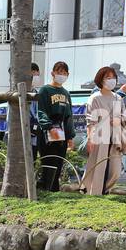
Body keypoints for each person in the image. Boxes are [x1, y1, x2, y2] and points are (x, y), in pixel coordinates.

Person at [83, 66, 126, 195]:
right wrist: (90, 139)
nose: (111, 80)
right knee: (98, 167)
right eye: (108, 77)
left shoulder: (118, 98)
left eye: (113, 77)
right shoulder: (95, 98)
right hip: (99, 137)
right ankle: (94, 192)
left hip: (116, 137)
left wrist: (119, 120)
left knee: (115, 170)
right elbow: (90, 121)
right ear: (101, 80)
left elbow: (124, 116)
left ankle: (104, 190)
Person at [35, 62, 75, 192]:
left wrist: (70, 136)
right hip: (48, 130)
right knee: (48, 162)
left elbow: (69, 116)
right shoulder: (45, 90)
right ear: (53, 73)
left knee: (58, 162)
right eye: (59, 72)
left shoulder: (66, 93)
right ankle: (45, 189)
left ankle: (54, 190)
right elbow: (41, 111)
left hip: (61, 131)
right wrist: (48, 126)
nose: (61, 75)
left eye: (64, 73)